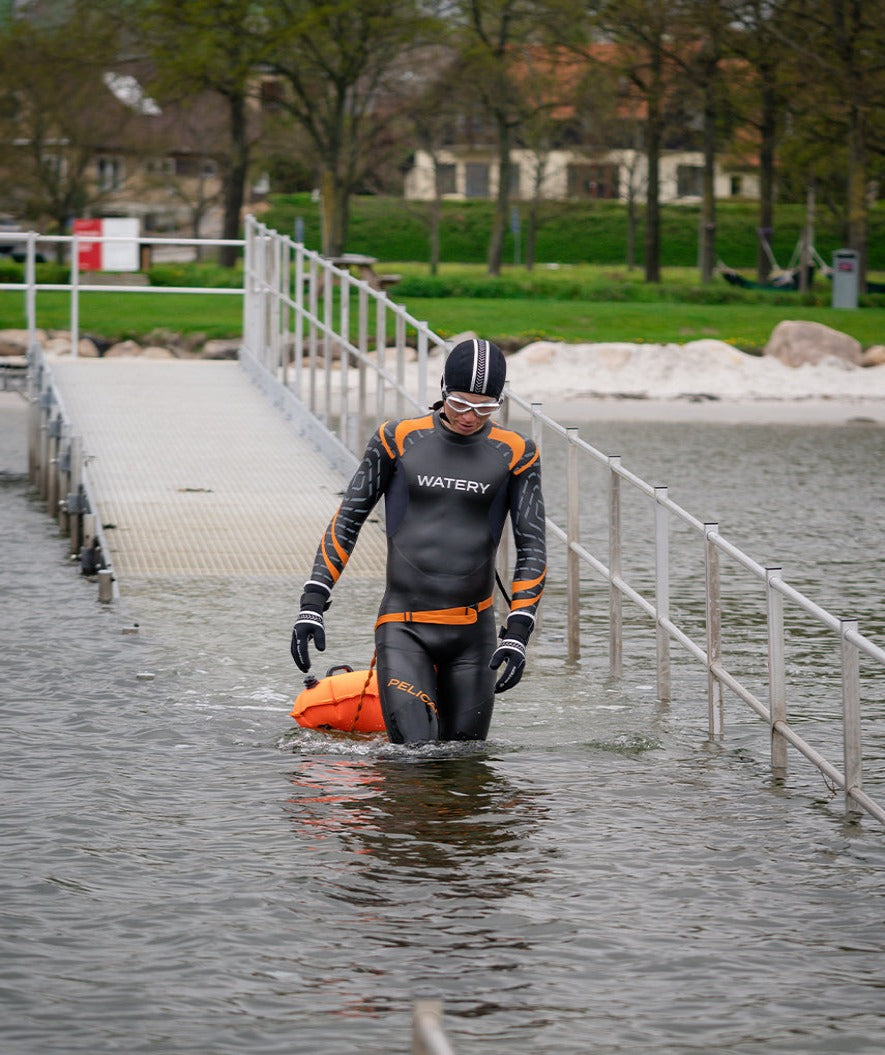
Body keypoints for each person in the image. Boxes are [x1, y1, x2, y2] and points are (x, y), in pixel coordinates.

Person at [291, 337, 547, 744]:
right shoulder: (398, 438)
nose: (469, 417)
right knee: (414, 757)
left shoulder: (516, 451)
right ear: (442, 390)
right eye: (460, 403)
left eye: (485, 408)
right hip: (404, 627)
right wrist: (312, 603)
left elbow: (532, 545)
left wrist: (519, 630)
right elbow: (347, 522)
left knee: (465, 761)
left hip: (473, 633)